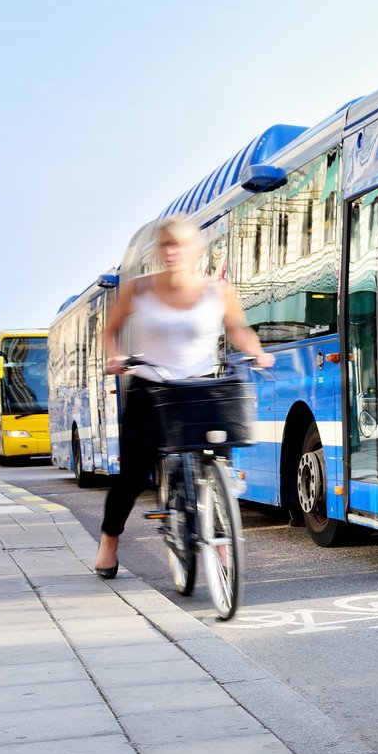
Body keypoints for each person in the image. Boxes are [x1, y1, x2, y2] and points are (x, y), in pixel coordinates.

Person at [92, 218, 275, 578]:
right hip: (151, 389)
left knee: (216, 461)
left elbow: (238, 328)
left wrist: (257, 352)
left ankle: (220, 538)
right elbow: (110, 330)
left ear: (197, 250)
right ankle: (109, 542)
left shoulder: (218, 290)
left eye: (179, 245)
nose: (171, 252)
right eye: (165, 245)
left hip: (202, 389)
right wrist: (115, 357)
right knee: (131, 474)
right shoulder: (138, 289)